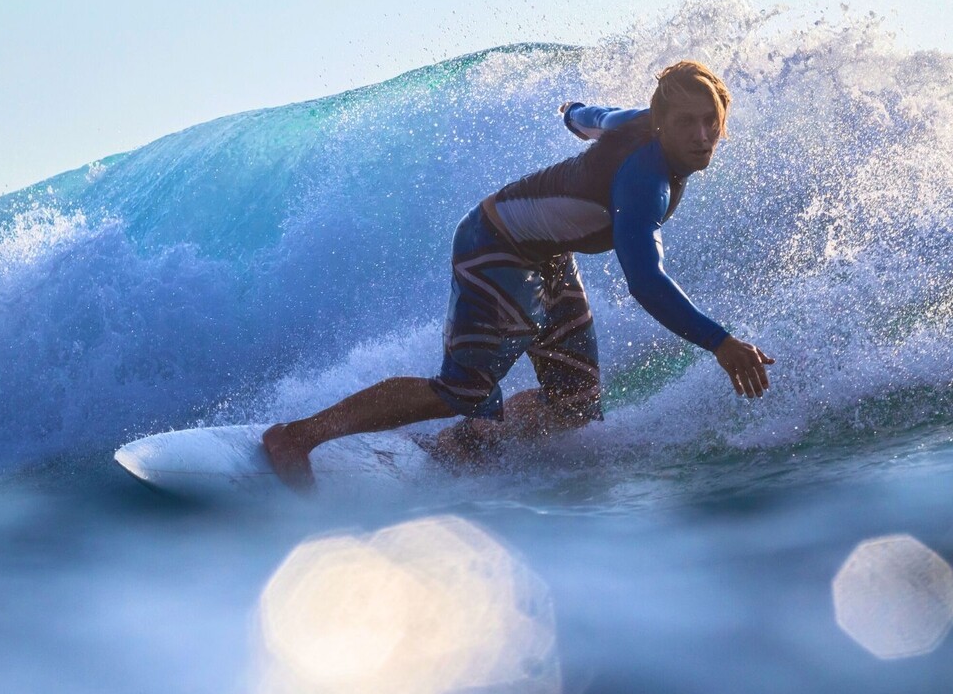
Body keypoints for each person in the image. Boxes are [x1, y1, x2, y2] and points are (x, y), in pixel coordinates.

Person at [263, 60, 775, 491]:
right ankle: (298, 435)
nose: (701, 135)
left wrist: (570, 111)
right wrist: (719, 342)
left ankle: (464, 443)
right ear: (661, 123)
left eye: (710, 121)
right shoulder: (646, 182)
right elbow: (645, 280)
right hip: (495, 244)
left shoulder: (637, 122)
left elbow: (590, 118)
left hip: (548, 256)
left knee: (575, 406)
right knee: (462, 389)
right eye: (686, 123)